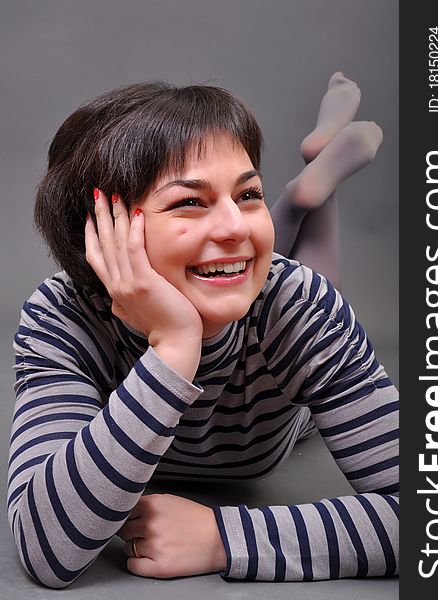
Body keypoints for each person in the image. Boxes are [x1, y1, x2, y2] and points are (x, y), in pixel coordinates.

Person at [7, 74, 398, 588]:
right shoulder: (60, 317)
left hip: (286, 396)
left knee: (308, 282)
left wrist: (224, 537)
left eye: (249, 194)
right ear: (103, 230)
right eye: (189, 202)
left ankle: (309, 192)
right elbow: (45, 545)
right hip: (232, 310)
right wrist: (173, 347)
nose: (235, 224)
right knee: (255, 267)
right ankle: (305, 188)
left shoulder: (297, 305)